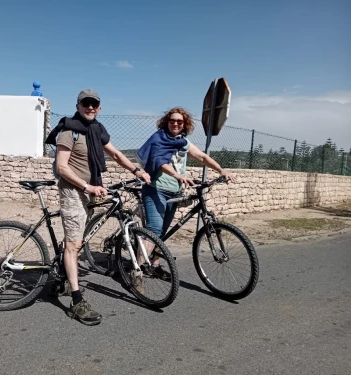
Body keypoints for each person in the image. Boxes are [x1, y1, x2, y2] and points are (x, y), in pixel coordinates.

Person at [45, 88, 151, 326]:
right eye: (86, 104)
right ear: (78, 105)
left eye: (94, 104)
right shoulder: (69, 130)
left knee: (77, 239)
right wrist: (87, 186)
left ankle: (61, 275)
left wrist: (137, 170)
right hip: (74, 191)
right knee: (74, 245)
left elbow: (115, 153)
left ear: (99, 108)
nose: (90, 107)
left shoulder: (97, 130)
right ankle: (76, 300)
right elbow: (62, 167)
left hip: (90, 189)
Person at [136, 106, 235, 276]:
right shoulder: (158, 138)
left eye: (179, 121)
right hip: (155, 189)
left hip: (174, 192)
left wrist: (221, 170)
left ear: (185, 124)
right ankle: (136, 270)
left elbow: (202, 157)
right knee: (154, 229)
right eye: (172, 120)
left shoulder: (183, 142)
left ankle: (155, 263)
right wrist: (177, 175)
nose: (175, 123)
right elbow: (159, 161)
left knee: (162, 232)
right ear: (166, 122)